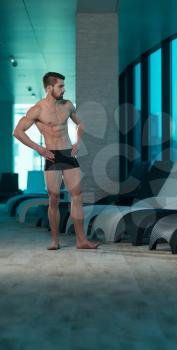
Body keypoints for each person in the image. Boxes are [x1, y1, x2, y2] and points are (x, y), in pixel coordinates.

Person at [13, 72, 100, 250]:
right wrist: (38, 149)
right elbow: (18, 131)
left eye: (63, 86)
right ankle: (55, 241)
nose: (64, 89)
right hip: (52, 156)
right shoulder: (37, 109)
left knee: (77, 196)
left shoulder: (67, 105)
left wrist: (78, 141)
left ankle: (81, 240)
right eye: (60, 86)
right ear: (49, 88)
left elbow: (80, 124)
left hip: (68, 154)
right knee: (53, 199)